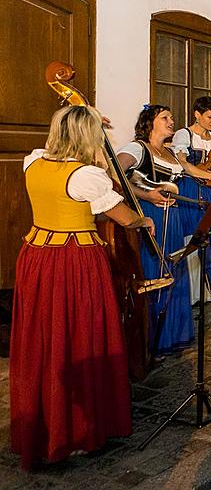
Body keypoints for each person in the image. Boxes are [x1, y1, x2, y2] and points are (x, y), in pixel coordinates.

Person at [10, 106, 150, 470]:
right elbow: (123, 217)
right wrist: (143, 217)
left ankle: (43, 425)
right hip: (75, 260)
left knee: (43, 337)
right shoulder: (87, 175)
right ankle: (76, 431)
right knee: (81, 335)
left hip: (37, 254)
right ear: (89, 137)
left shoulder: (33, 162)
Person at [117, 105, 193, 355]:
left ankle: (172, 336)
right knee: (155, 273)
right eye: (165, 118)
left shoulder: (169, 152)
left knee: (174, 270)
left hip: (174, 217)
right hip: (152, 218)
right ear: (150, 122)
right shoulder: (138, 148)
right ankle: (153, 340)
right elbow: (116, 174)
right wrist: (146, 195)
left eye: (172, 117)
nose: (172, 121)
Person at [171, 96, 211, 300]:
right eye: (210, 116)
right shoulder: (184, 134)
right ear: (197, 114)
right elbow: (182, 163)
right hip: (191, 190)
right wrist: (208, 175)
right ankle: (195, 295)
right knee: (195, 236)